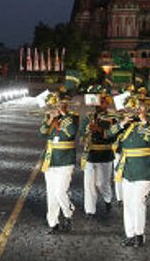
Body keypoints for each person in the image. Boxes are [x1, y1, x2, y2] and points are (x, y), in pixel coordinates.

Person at [110, 93, 150, 247]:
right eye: (130, 109)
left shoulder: (149, 124)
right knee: (128, 203)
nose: (132, 111)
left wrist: (144, 120)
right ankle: (130, 234)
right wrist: (123, 121)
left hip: (143, 169)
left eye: (135, 108)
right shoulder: (125, 124)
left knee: (139, 202)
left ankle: (139, 234)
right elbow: (109, 135)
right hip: (127, 169)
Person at [39, 89, 78, 233]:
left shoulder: (72, 117)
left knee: (60, 192)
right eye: (57, 103)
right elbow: (42, 132)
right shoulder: (50, 117)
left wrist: (63, 114)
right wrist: (50, 118)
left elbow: (72, 131)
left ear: (66, 105)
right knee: (51, 193)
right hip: (50, 159)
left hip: (65, 159)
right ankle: (53, 223)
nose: (58, 106)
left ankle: (68, 213)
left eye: (61, 103)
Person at [80, 92, 116, 218]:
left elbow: (113, 135)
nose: (99, 104)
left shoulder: (112, 117)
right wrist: (85, 133)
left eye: (102, 102)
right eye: (97, 101)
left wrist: (99, 130)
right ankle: (90, 210)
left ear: (107, 104)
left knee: (102, 183)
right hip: (90, 153)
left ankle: (107, 199)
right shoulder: (89, 116)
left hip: (105, 153)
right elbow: (81, 132)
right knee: (88, 184)